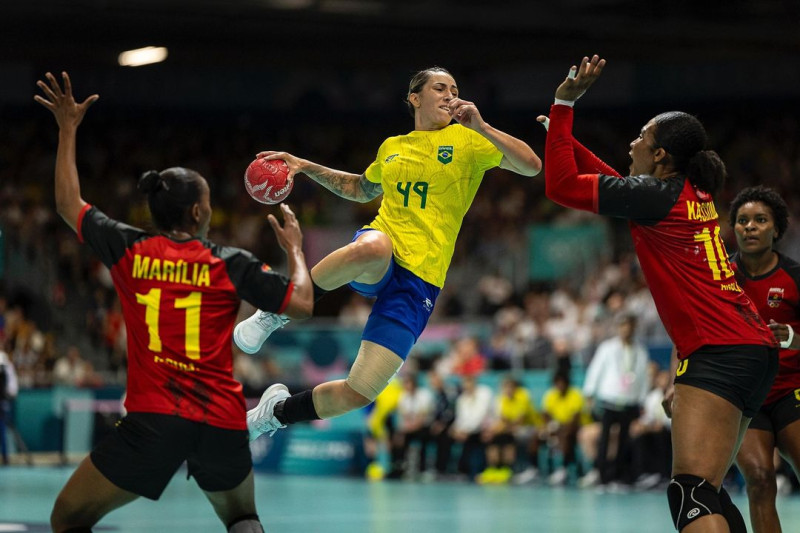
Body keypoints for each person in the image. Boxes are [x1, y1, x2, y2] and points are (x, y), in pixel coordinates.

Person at [35, 72, 313, 533]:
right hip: (222, 422)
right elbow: (302, 302)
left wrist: (67, 129)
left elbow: (69, 204)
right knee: (242, 517)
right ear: (201, 213)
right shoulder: (231, 262)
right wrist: (296, 250)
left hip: (153, 423)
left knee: (68, 517)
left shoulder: (128, 249)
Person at [541, 55, 777, 533]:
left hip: (721, 350)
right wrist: (563, 137)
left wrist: (565, 103)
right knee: (705, 490)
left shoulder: (657, 195)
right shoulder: (688, 190)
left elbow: (562, 186)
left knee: (690, 491)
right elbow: (619, 184)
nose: (633, 142)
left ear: (661, 157)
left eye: (642, 139)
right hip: (751, 350)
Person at [239, 67, 541, 438]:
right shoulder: (393, 147)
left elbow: (531, 166)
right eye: (439, 88)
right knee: (374, 246)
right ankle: (277, 310)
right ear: (415, 98)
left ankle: (274, 414)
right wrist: (303, 166)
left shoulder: (470, 141)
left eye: (455, 89)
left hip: (421, 282)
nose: (449, 95)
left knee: (360, 391)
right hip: (383, 250)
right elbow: (360, 189)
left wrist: (481, 126)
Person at [728, 185, 800, 533]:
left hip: (790, 392)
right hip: (744, 399)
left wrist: (793, 338)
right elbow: (689, 334)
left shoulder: (795, 277)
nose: (750, 227)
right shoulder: (720, 278)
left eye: (760, 220)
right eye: (742, 220)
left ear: (776, 228)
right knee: (758, 479)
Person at [582, 313, 650, 488]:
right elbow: (596, 369)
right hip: (609, 399)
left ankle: (618, 476)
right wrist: (590, 393)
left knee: (624, 440)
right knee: (604, 439)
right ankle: (602, 475)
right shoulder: (607, 348)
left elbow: (644, 377)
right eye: (623, 326)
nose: (626, 330)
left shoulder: (640, 351)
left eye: (629, 326)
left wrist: (642, 400)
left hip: (629, 401)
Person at [0, 348, 19, 465]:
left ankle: (5, 456)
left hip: (2, 402)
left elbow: (12, 389)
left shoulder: (7, 367)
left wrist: (7, 396)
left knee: (2, 429)